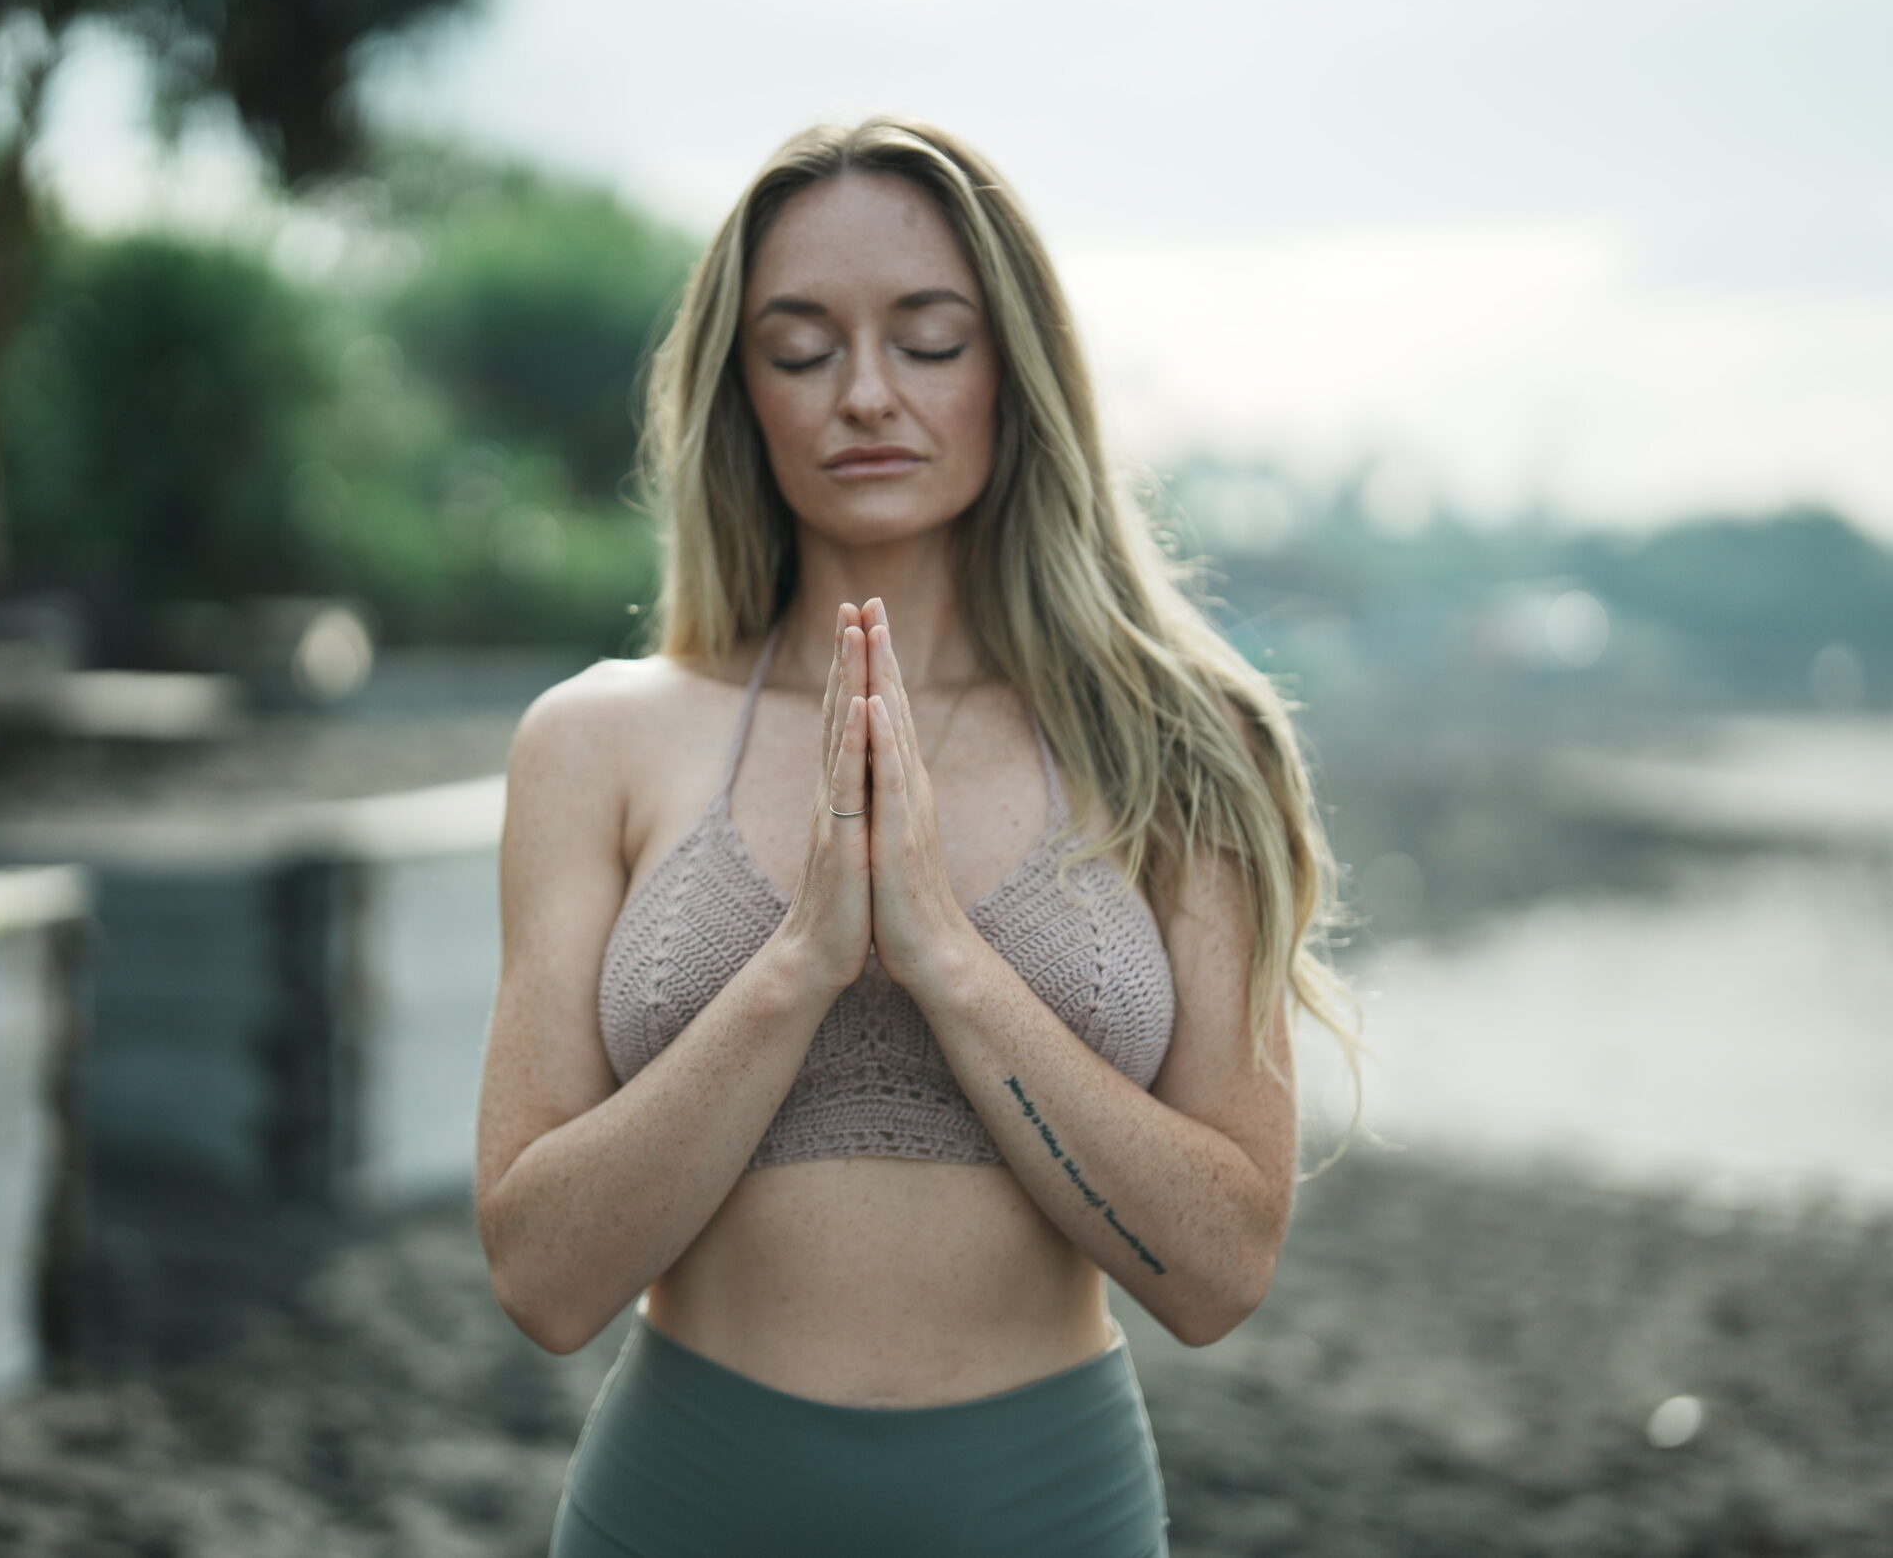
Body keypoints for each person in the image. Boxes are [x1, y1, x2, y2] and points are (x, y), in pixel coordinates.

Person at [475, 114, 1360, 1558]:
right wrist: (798, 964)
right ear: (738, 390)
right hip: (680, 1505)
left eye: (930, 339)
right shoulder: (598, 744)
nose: (866, 393)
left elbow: (1218, 1274)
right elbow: (543, 1280)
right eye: (802, 346)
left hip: (1047, 1511)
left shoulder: (1186, 744)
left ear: (1015, 371)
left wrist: (948, 955)